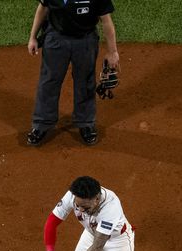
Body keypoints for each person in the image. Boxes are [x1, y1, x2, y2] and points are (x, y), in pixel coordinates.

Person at [26, 0, 118, 147]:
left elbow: (106, 21)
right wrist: (32, 37)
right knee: (49, 82)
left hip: (85, 41)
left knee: (86, 83)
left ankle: (86, 123)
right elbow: (43, 9)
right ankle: (41, 124)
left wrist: (113, 52)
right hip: (56, 38)